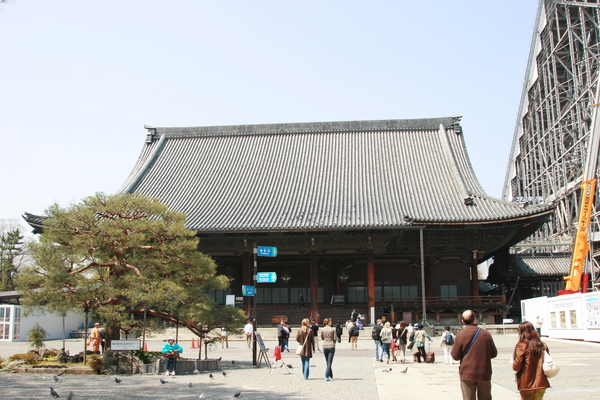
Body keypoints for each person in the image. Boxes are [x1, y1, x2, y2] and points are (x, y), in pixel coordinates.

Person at [451, 310, 498, 400]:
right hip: (484, 372)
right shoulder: (486, 334)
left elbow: (455, 356)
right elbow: (494, 353)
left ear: (463, 321)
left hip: (467, 373)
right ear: (475, 319)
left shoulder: (460, 335)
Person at [512, 321, 551, 400]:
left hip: (526, 382)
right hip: (541, 381)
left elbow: (517, 365)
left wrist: (514, 366)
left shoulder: (521, 345)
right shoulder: (542, 345)